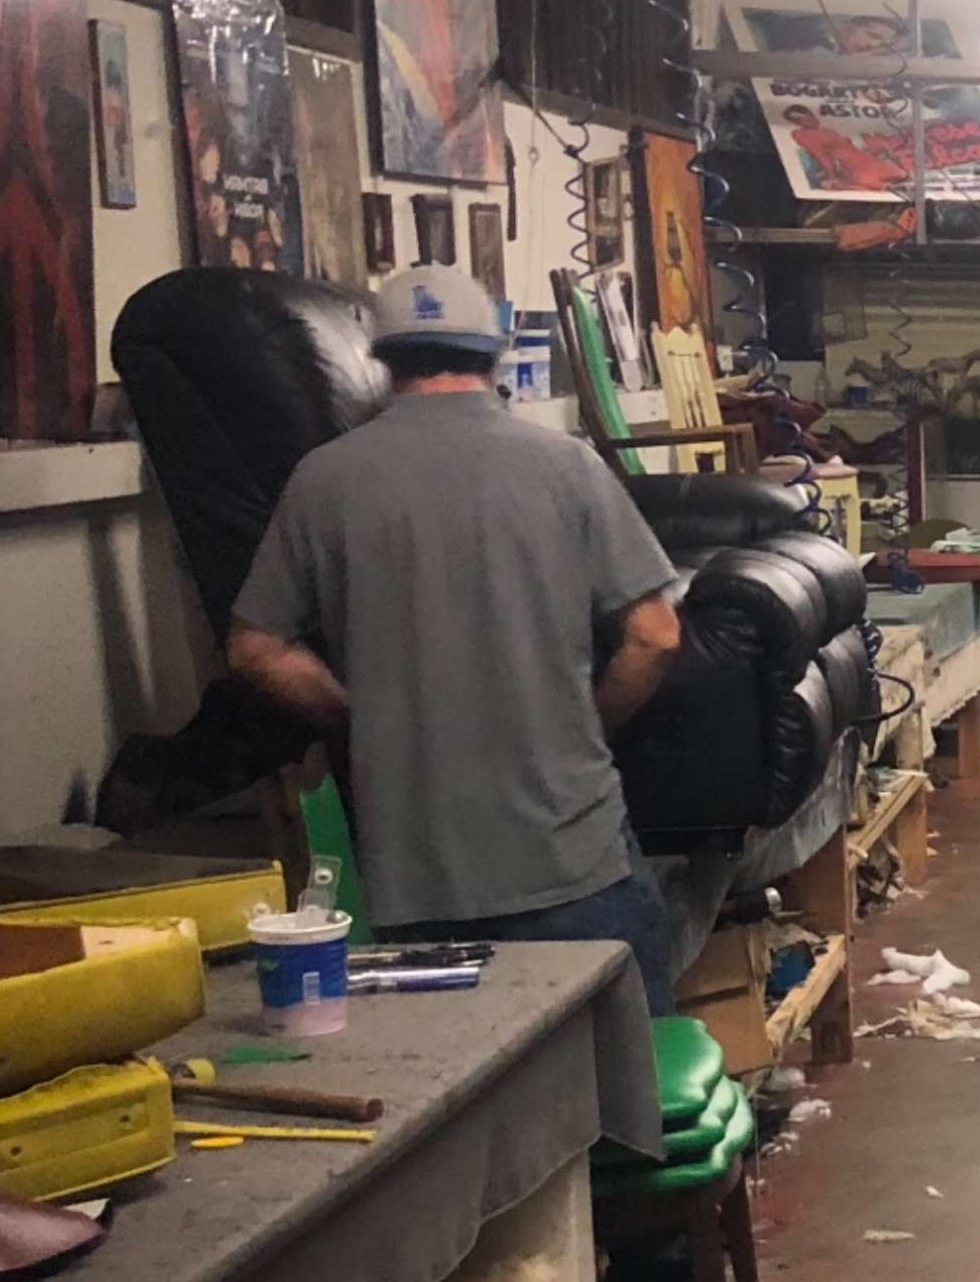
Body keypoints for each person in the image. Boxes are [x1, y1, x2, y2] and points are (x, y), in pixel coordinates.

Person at [227, 264, 687, 1011]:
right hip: (570, 852)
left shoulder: (324, 479)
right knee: (621, 1092)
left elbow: (254, 648)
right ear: (494, 354)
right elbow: (657, 635)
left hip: (416, 873)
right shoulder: (566, 465)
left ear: (382, 360)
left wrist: (356, 717)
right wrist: (591, 722)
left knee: (463, 1101)